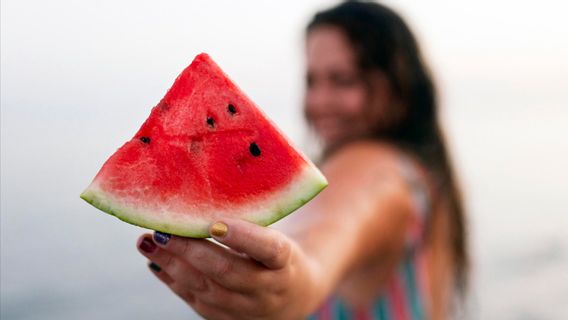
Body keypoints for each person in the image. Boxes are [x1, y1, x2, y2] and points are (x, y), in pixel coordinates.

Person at [136, 1, 468, 319]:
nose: (318, 101)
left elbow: (329, 238)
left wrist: (295, 280)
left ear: (398, 86)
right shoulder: (421, 170)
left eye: (343, 80)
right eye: (312, 80)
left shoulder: (377, 169)